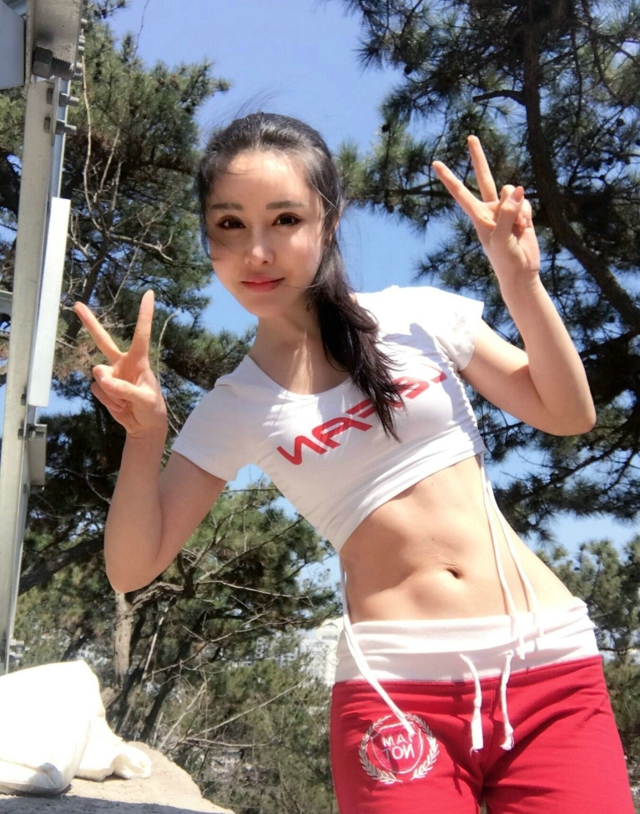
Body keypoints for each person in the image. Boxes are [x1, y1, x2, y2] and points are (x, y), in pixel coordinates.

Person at [74, 112, 634, 814]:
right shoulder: (235, 405)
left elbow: (568, 413)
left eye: (285, 219)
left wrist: (521, 283)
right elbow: (131, 568)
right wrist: (145, 435)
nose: (257, 251)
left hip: (547, 665)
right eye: (230, 224)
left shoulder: (419, 317)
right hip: (396, 692)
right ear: (207, 238)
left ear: (330, 221)